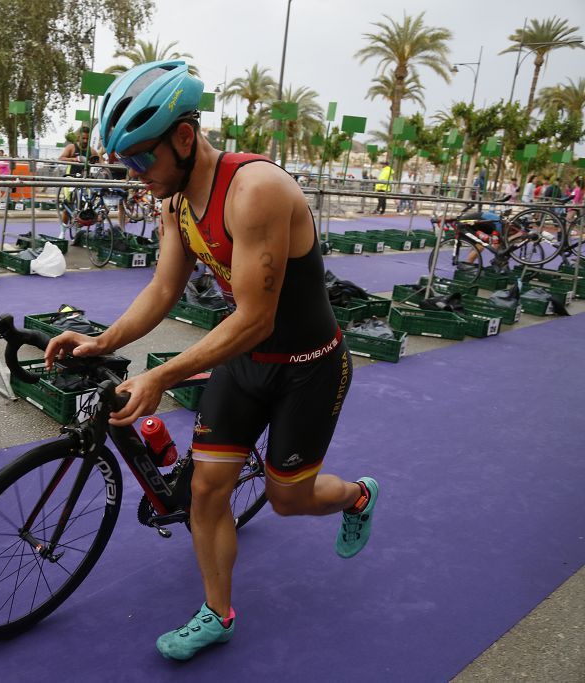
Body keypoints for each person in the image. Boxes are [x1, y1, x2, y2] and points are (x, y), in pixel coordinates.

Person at [45, 60, 378, 662]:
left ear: (183, 136)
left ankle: (355, 495)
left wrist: (162, 374)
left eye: (141, 160)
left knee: (287, 499)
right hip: (245, 365)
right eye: (125, 166)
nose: (136, 176)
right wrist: (102, 342)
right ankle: (217, 612)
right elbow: (163, 290)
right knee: (205, 492)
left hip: (309, 366)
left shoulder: (256, 192)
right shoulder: (174, 202)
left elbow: (256, 317)